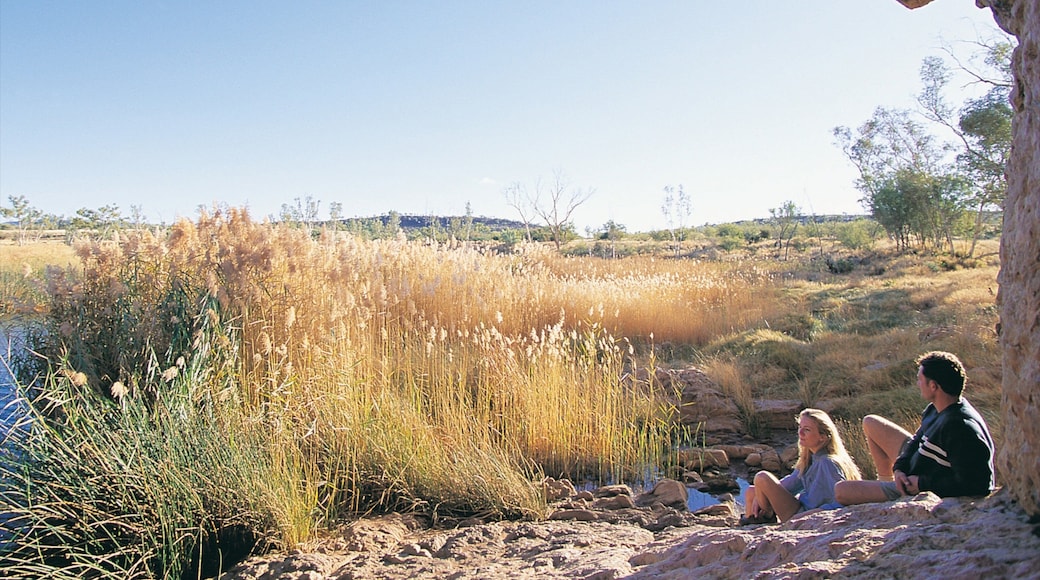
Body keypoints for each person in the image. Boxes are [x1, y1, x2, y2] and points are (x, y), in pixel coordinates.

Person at [835, 351, 995, 506]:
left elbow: (978, 484)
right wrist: (899, 469)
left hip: (924, 483)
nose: (917, 384)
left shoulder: (960, 427)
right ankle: (887, 482)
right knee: (871, 423)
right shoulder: (936, 408)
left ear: (933, 386)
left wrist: (922, 484)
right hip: (918, 464)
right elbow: (915, 441)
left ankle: (890, 494)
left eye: (920, 379)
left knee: (841, 491)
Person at [740, 408, 861, 524]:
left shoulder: (827, 463)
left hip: (804, 514)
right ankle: (755, 523)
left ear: (823, 437)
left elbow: (841, 502)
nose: (800, 433)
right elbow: (789, 485)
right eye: (800, 427)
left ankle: (763, 517)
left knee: (762, 477)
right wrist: (762, 493)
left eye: (807, 429)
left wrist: (808, 516)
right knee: (752, 491)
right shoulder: (809, 459)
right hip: (800, 508)